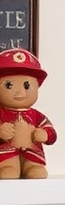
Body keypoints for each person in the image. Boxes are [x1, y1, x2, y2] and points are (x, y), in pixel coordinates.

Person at [0, 49, 56, 179]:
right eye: (9, 85)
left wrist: (45, 134)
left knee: (36, 172)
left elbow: (51, 131)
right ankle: (7, 168)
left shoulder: (36, 115)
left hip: (32, 153)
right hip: (6, 154)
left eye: (27, 86)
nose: (19, 92)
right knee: (8, 172)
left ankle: (32, 167)